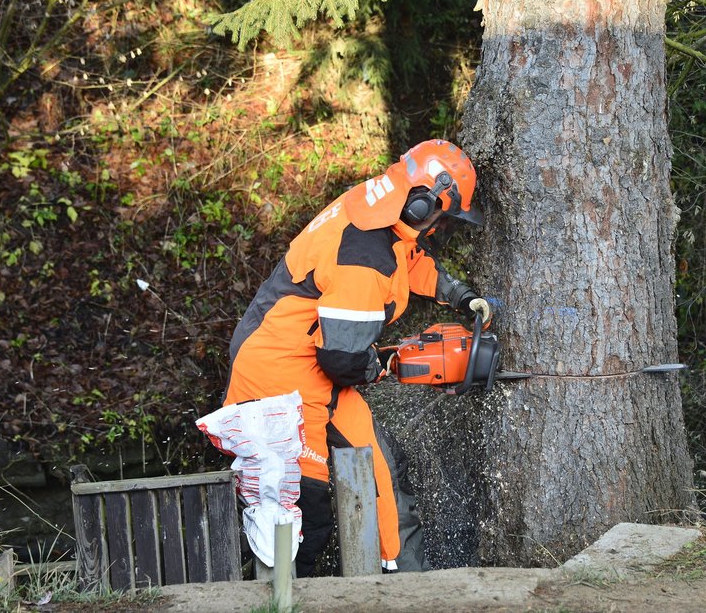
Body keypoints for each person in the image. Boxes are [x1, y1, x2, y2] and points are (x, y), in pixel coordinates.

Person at [197, 139, 491, 577]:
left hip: (316, 371)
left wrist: (459, 295)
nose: (436, 228)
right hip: (279, 378)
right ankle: (285, 604)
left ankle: (406, 585)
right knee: (302, 514)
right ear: (423, 200)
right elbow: (341, 358)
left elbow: (407, 260)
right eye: (439, 217)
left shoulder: (381, 208)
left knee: (383, 471)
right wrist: (388, 366)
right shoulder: (363, 256)